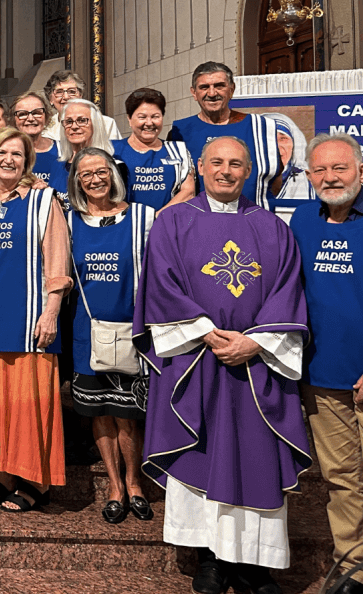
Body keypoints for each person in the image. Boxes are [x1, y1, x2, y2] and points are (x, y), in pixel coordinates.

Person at [134, 136, 311, 594]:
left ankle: (254, 565)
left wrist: (255, 342)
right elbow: (162, 285)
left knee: (256, 460)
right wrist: (204, 332)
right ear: (201, 165)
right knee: (202, 454)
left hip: (257, 367)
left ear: (248, 170)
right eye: (217, 162)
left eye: (235, 164)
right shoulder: (172, 222)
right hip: (196, 360)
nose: (225, 171)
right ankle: (209, 559)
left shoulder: (273, 227)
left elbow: (288, 291)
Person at [0, 127, 71, 513]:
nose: (9, 160)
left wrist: (51, 311)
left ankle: (36, 481)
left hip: (28, 317)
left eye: (17, 155)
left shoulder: (42, 200)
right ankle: (3, 476)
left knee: (27, 404)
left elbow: (57, 260)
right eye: (2, 152)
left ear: (27, 162)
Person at [289, 134, 363, 594]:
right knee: (341, 480)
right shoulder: (302, 220)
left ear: (360, 170)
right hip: (321, 377)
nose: (330, 178)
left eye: (339, 168)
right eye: (320, 170)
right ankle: (353, 568)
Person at [65, 148, 155, 524]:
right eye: (85, 175)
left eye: (100, 172)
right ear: (76, 182)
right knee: (99, 411)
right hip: (88, 330)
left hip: (132, 330)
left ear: (113, 174)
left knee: (128, 415)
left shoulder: (143, 218)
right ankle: (115, 486)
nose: (94, 180)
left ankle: (135, 483)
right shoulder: (68, 221)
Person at [167, 62, 283, 208]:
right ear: (194, 93)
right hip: (197, 224)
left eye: (219, 86)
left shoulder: (261, 127)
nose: (212, 93)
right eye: (204, 87)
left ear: (232, 89)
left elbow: (276, 180)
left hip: (250, 220)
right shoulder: (180, 132)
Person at [111, 88, 195, 210]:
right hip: (126, 225)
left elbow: (188, 192)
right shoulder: (113, 150)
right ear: (129, 118)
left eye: (155, 116)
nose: (149, 123)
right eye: (142, 117)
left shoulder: (178, 150)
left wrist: (157, 219)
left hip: (167, 223)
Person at [41, 70, 121, 144]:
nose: (66, 97)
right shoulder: (45, 128)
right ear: (50, 99)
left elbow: (115, 155)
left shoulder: (106, 124)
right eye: (59, 92)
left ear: (80, 95)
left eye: (71, 91)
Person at [11, 92, 67, 195]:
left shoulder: (64, 149)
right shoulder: (7, 153)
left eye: (37, 112)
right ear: (14, 120)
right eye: (22, 114)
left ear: (46, 117)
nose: (31, 118)